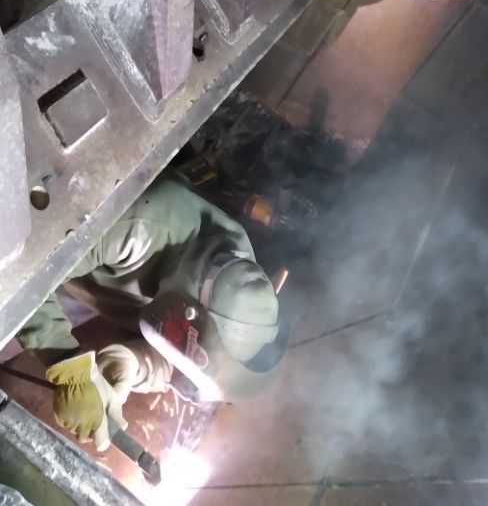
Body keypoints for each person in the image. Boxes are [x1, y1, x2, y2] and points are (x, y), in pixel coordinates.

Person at [17, 174, 288, 449]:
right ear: (187, 310)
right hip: (54, 240)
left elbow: (191, 356)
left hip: (102, 278)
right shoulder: (136, 230)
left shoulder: (238, 280)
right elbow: (22, 273)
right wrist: (65, 362)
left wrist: (137, 364)